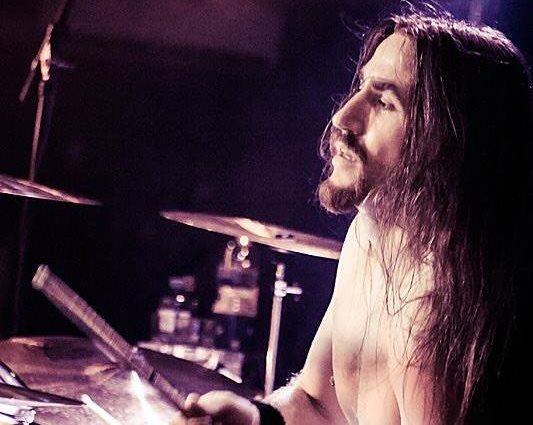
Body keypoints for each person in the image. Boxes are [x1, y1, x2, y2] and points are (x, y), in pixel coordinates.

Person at [173, 7, 531, 425]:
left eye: (384, 101)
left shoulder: (446, 302)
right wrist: (254, 417)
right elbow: (318, 403)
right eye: (361, 87)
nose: (342, 118)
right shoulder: (368, 237)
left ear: (447, 140)